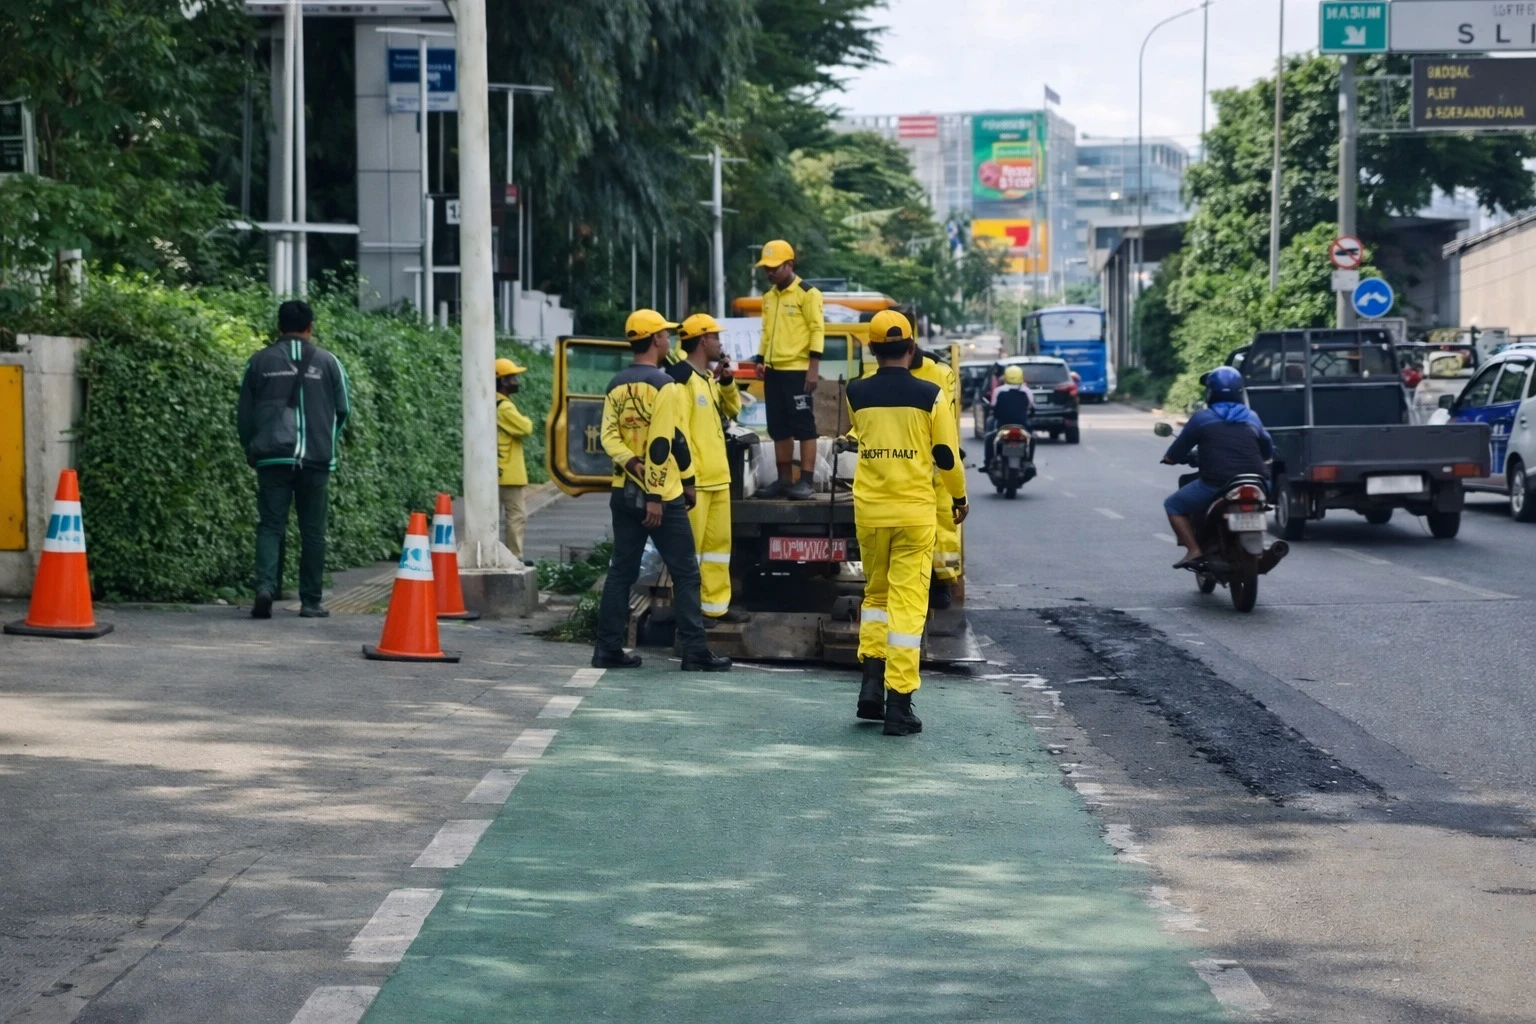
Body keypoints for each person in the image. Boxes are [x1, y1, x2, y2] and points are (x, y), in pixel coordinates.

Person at [844, 310, 968, 736]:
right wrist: (959, 496)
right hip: (914, 513)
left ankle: (870, 689)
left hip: (871, 512)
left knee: (875, 596)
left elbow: (861, 437)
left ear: (872, 349)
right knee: (908, 607)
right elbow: (947, 456)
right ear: (912, 347)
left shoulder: (855, 393)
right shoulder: (931, 394)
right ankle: (899, 707)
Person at [591, 309, 732, 672]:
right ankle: (695, 651)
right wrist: (664, 491)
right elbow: (664, 443)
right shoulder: (664, 384)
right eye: (665, 335)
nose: (669, 340)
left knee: (621, 571)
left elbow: (608, 437)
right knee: (686, 572)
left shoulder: (616, 384)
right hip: (661, 496)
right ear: (655, 340)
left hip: (623, 492)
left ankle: (607, 648)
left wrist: (631, 465)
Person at [237, 300, 350, 620]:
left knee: (271, 525)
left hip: (272, 458)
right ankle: (311, 602)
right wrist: (326, 443)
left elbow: (244, 414)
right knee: (313, 530)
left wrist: (251, 447)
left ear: (278, 326)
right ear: (310, 327)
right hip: (316, 460)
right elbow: (343, 410)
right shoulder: (329, 362)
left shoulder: (259, 362)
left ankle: (265, 588)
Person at [668, 313, 751, 627]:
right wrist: (687, 477)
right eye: (717, 337)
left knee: (718, 550)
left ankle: (715, 608)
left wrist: (727, 381)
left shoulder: (705, 378)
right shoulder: (681, 380)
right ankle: (690, 612)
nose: (721, 343)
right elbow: (678, 433)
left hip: (718, 478)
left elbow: (732, 410)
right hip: (697, 481)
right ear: (703, 340)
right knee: (693, 552)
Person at [1161, 366, 1274, 568]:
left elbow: (1176, 452)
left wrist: (1170, 458)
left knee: (1173, 505)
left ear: (1210, 392)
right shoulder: (1252, 417)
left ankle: (1194, 550)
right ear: (1240, 391)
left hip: (1217, 484)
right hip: (1258, 482)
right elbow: (1267, 449)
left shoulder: (1202, 418)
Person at [753, 239, 824, 500]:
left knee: (804, 426)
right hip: (774, 371)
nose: (769, 272)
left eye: (774, 267)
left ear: (789, 265)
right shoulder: (769, 297)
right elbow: (766, 333)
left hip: (798, 371)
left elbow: (818, 330)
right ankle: (784, 480)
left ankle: (806, 481)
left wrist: (813, 366)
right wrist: (761, 359)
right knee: (778, 427)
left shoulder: (808, 293)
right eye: (766, 268)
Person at [909, 347, 965, 610]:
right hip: (931, 457)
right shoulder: (944, 373)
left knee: (932, 521)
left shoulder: (936, 373)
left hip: (919, 458)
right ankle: (938, 584)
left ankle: (935, 583)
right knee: (940, 521)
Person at [495, 357, 533, 561]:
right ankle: (513, 557)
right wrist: (526, 419)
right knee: (516, 516)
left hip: (499, 470)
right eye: (513, 377)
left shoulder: (493, 403)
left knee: (495, 517)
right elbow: (526, 427)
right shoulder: (504, 407)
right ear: (503, 381)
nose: (517, 381)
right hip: (507, 472)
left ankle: (500, 555)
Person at [982, 365, 1035, 472]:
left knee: (989, 438)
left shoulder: (998, 390)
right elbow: (1032, 407)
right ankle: (1029, 462)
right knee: (1032, 439)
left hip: (1002, 425)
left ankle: (988, 464)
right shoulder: (1027, 391)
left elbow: (993, 406)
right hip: (1022, 425)